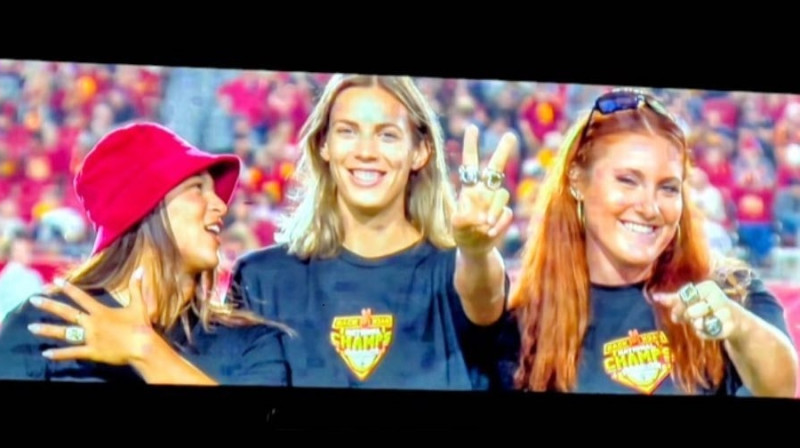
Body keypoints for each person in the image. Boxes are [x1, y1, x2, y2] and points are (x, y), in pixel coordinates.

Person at [227, 74, 520, 390]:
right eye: (348, 131)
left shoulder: (458, 270)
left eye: (387, 135)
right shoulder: (261, 280)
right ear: (324, 144)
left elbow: (485, 297)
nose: (366, 151)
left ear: (420, 151)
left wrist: (476, 252)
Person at [511, 88, 798, 397]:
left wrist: (739, 327)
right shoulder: (529, 317)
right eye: (628, 180)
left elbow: (781, 387)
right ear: (577, 179)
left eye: (668, 188)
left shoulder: (730, 289)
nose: (650, 207)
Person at [0, 122, 290, 386]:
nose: (220, 206)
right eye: (197, 188)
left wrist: (145, 350)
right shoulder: (44, 326)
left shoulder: (253, 342)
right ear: (142, 208)